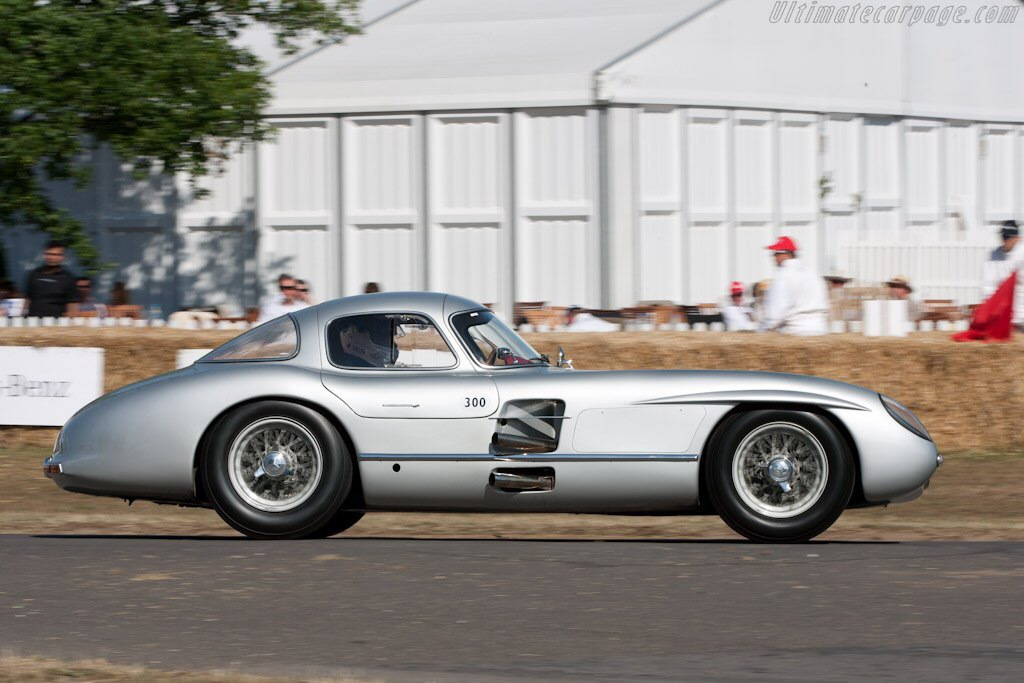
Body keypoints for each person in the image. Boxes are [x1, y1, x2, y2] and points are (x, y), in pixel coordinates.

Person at [759, 236, 829, 336]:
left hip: (795, 331)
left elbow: (775, 315)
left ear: (785, 254)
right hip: (820, 330)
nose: (774, 257)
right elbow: (824, 305)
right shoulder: (813, 273)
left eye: (775, 253)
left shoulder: (783, 275)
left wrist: (761, 332)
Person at [23, 240, 77, 317]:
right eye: (49, 254)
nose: (52, 257)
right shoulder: (34, 274)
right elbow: (27, 299)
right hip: (33, 322)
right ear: (44, 255)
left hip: (56, 324)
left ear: (63, 257)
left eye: (57, 255)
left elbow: (72, 306)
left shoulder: (68, 278)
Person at [982, 221, 1020, 298]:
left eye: (1008, 237)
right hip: (1001, 301)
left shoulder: (1021, 255)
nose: (1005, 240)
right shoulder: (994, 255)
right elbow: (988, 284)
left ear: (1016, 238)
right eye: (1003, 236)